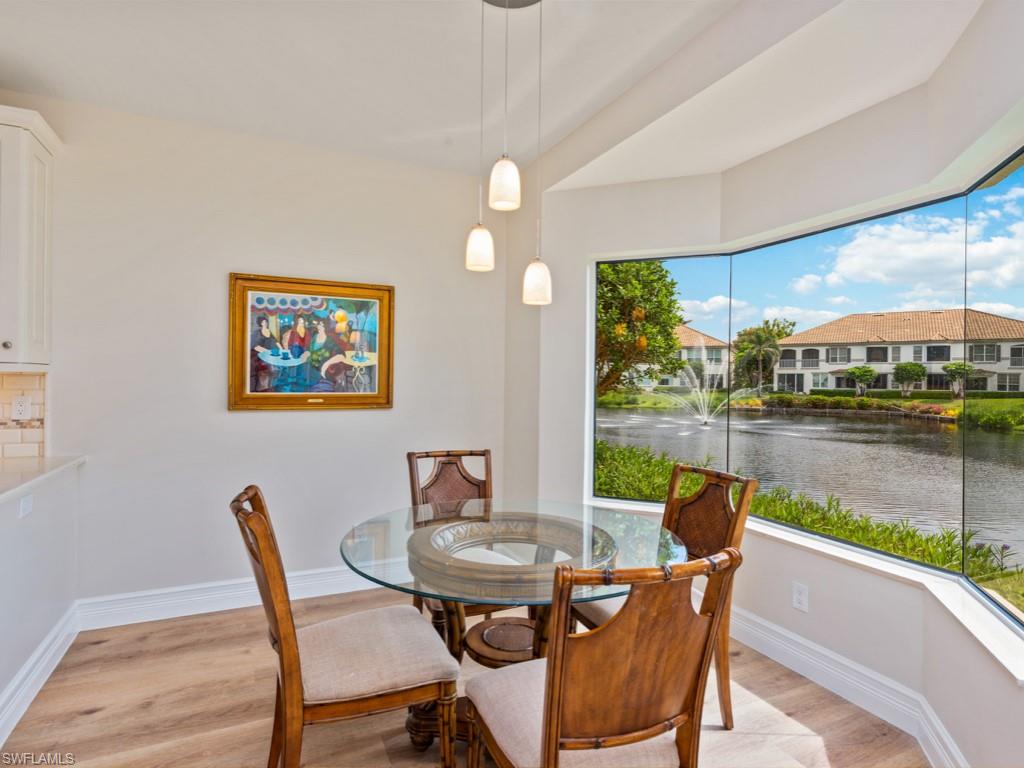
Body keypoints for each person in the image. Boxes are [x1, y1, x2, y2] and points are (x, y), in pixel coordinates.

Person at [249, 315, 283, 392]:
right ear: (260, 323)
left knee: (276, 370)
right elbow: (255, 346)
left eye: (266, 322)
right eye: (263, 322)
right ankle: (263, 390)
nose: (265, 323)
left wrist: (282, 349)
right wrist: (266, 351)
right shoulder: (257, 333)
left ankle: (270, 387)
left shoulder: (269, 331)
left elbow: (276, 342)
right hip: (259, 357)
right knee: (264, 373)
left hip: (269, 355)